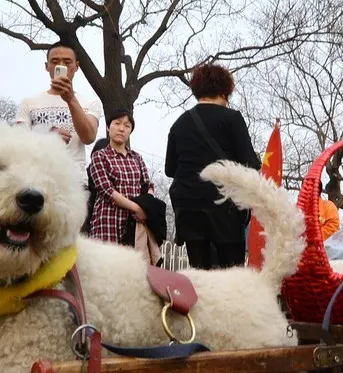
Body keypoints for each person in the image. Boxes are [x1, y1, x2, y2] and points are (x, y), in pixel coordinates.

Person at [164, 63, 261, 270]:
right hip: (223, 208)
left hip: (189, 207)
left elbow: (170, 169)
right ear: (225, 91)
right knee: (231, 274)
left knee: (200, 274)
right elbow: (250, 164)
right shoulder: (232, 119)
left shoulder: (179, 123)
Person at [14, 42, 102, 174]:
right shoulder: (29, 103)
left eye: (67, 62)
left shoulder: (90, 102)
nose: (61, 65)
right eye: (54, 61)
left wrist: (71, 99)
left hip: (74, 181)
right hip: (36, 178)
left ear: (77, 66)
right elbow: (17, 143)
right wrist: (46, 136)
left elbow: (88, 137)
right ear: (47, 66)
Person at [87, 110, 153, 244]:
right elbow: (107, 190)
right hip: (107, 225)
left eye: (127, 126)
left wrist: (147, 207)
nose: (121, 129)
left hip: (134, 225)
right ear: (108, 126)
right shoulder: (99, 156)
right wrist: (137, 209)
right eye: (117, 123)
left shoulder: (137, 158)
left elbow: (148, 185)